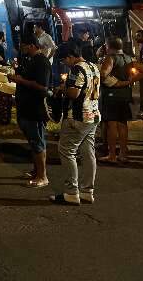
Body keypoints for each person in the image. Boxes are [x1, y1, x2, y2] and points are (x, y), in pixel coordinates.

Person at [50, 42, 101, 205]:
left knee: (67, 151)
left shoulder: (76, 69)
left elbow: (74, 93)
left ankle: (71, 192)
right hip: (93, 116)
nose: (64, 63)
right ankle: (87, 191)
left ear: (71, 56)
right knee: (88, 152)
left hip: (77, 117)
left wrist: (63, 88)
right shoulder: (93, 66)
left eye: (64, 60)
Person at [8, 35, 51, 187]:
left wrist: (19, 81)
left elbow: (43, 87)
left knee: (37, 142)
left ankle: (42, 176)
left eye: (24, 46)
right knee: (34, 142)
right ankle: (36, 171)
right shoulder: (31, 60)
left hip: (34, 108)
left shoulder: (41, 61)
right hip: (25, 106)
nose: (23, 49)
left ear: (32, 45)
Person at [98, 37, 143, 163]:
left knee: (112, 125)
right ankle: (123, 153)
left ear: (108, 46)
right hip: (125, 95)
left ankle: (112, 154)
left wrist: (117, 83)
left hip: (112, 95)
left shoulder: (110, 57)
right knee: (123, 124)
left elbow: (103, 74)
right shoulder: (129, 58)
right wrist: (130, 81)